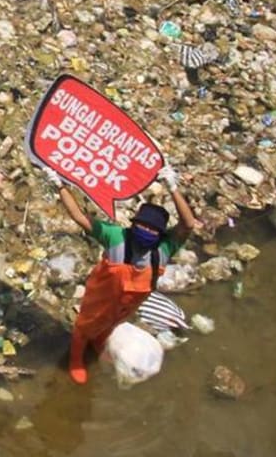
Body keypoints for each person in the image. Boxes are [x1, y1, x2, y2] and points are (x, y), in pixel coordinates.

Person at [44, 164, 197, 385]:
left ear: (160, 234)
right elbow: (79, 217)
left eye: (152, 229)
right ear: (134, 225)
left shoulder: (164, 249)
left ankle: (99, 339)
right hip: (101, 297)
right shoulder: (116, 237)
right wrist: (60, 186)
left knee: (111, 324)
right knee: (85, 326)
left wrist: (173, 187)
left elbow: (188, 224)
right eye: (143, 226)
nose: (147, 231)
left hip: (129, 304)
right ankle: (76, 357)